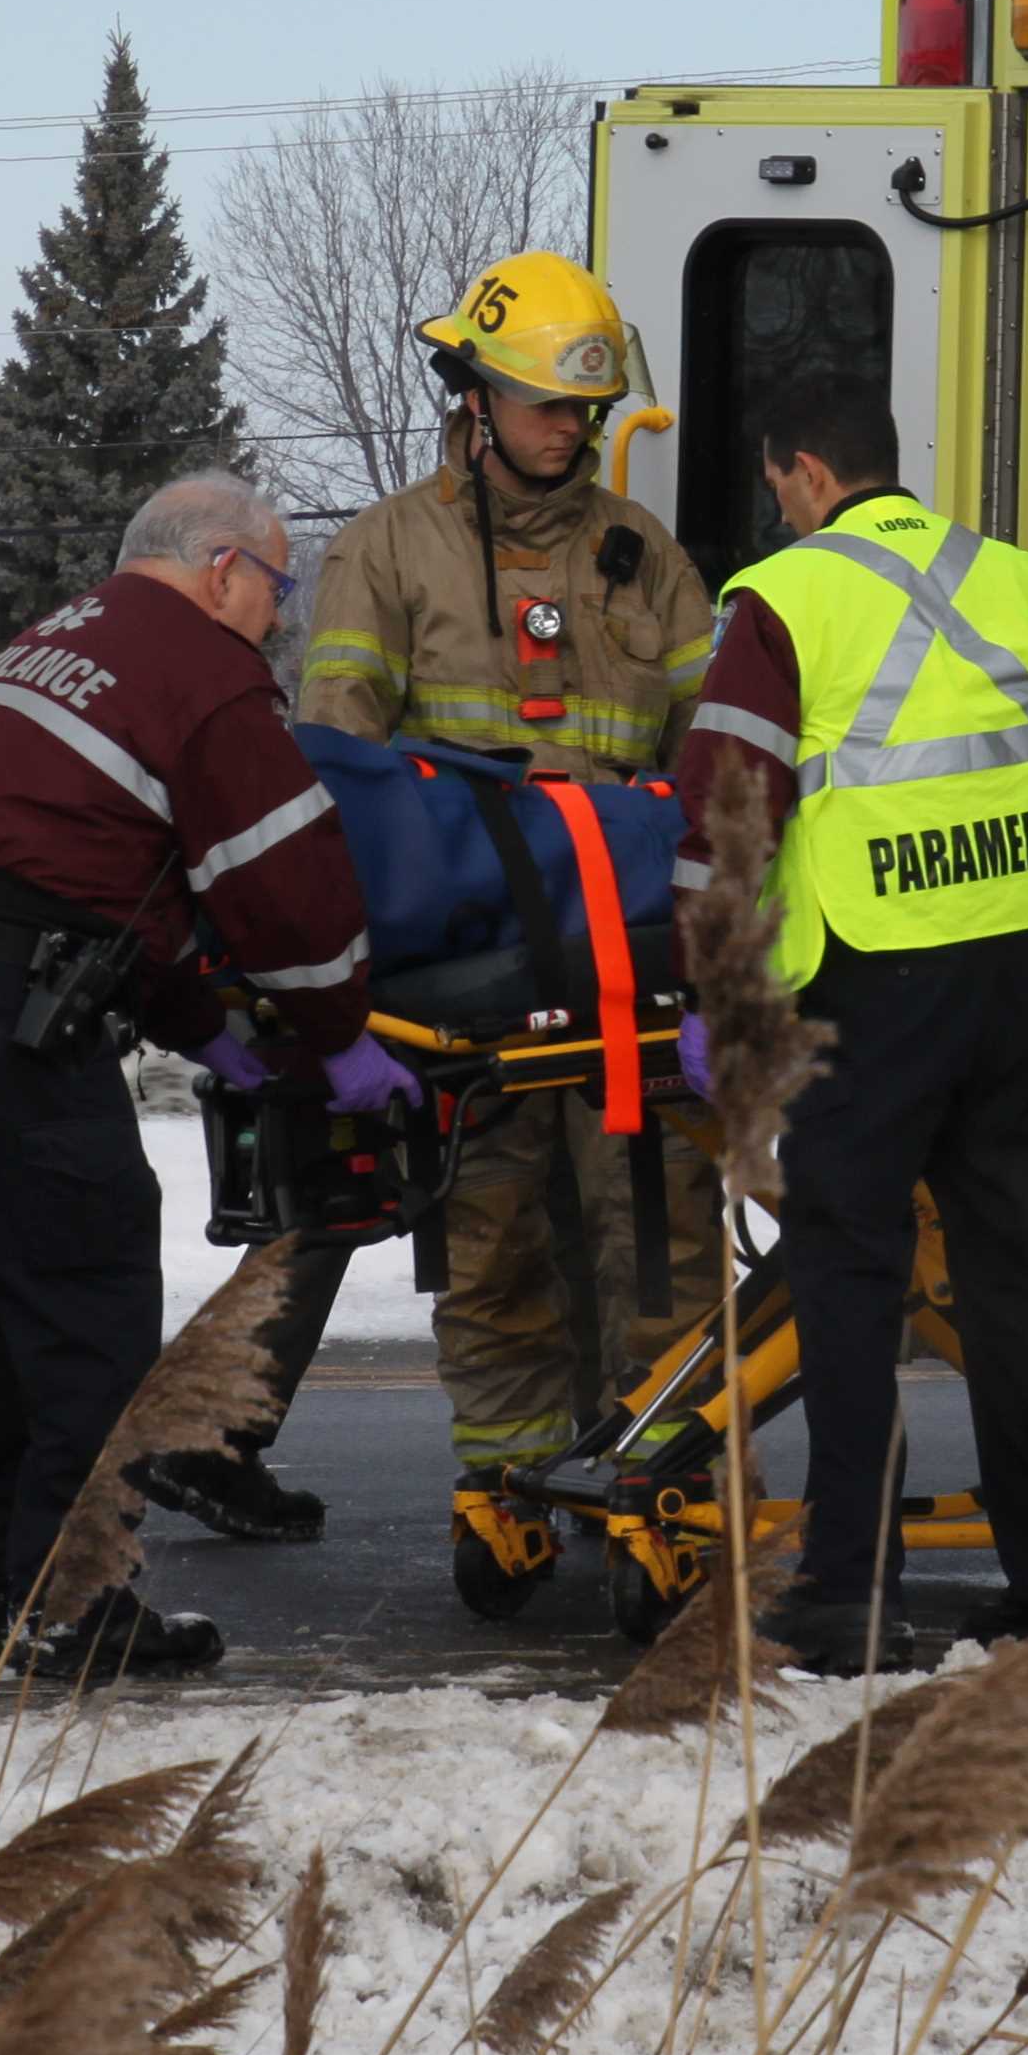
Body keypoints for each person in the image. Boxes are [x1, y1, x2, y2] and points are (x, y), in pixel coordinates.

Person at [0, 468, 405, 1677]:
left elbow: (85, 879)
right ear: (220, 571)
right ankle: (76, 1600)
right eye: (276, 588)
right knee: (84, 1299)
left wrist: (202, 1024)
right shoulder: (203, 673)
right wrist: (336, 1031)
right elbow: (281, 879)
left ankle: (8, 1590)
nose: (278, 618)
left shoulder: (52, 644)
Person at [666, 379, 1028, 1669]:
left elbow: (727, 817)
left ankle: (850, 1599)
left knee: (849, 1290)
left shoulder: (787, 598)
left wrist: (716, 993)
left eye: (775, 486)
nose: (776, 507)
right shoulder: (1021, 580)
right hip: (1025, 984)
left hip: (869, 990)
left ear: (805, 471)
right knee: (1017, 1289)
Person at [295, 253, 727, 1548]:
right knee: (491, 1258)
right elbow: (343, 772)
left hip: (629, 978)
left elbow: (713, 768)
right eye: (550, 405)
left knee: (656, 1248)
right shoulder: (386, 553)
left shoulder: (646, 559)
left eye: (587, 411)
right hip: (471, 985)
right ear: (474, 400)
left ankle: (666, 1490)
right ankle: (510, 1489)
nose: (576, 431)